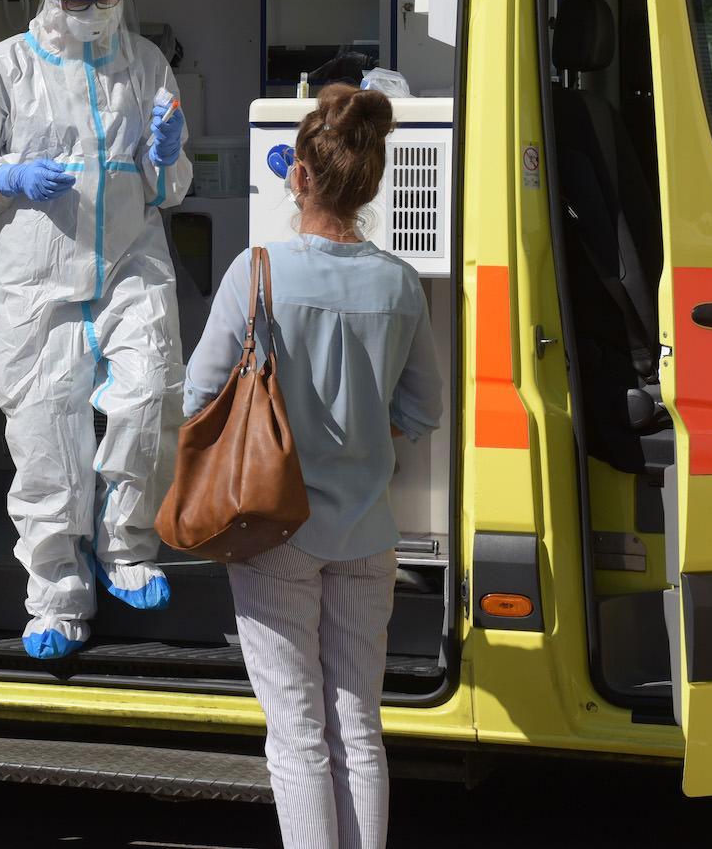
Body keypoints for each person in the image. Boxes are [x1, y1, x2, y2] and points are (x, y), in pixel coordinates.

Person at [182, 83, 441, 849]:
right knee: (359, 727)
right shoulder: (398, 284)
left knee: (297, 735)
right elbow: (425, 408)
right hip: (367, 531)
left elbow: (199, 393)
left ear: (297, 175)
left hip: (273, 529)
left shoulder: (255, 272)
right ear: (368, 184)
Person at [0, 0, 192, 661]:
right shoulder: (3, 67)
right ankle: (56, 594)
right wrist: (7, 174)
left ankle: (127, 544)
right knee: (47, 437)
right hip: (39, 279)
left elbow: (169, 184)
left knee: (149, 398)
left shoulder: (145, 63)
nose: (91, 11)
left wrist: (168, 155)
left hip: (131, 264)